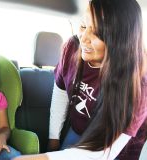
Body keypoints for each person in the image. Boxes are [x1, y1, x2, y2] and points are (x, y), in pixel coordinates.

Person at [14, 0, 147, 159]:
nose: (84, 39)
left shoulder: (139, 83)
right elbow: (61, 92)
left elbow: (103, 153)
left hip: (115, 149)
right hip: (79, 130)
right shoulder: (72, 47)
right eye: (83, 26)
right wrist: (53, 139)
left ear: (121, 40)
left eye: (97, 32)